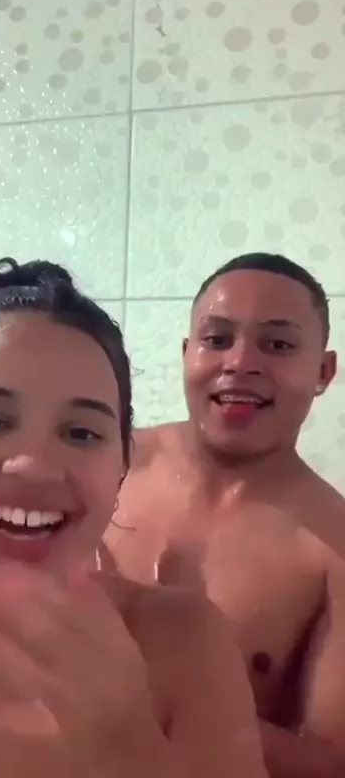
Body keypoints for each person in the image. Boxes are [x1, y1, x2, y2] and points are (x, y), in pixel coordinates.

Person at [0, 258, 266, 778]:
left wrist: (128, 743)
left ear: (121, 466)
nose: (34, 466)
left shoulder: (184, 647)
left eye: (81, 433)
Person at [104, 252, 345, 778]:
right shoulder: (100, 462)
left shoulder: (334, 547)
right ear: (187, 353)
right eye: (216, 339)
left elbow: (330, 761)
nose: (239, 362)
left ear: (323, 371)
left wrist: (171, 699)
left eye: (277, 344)